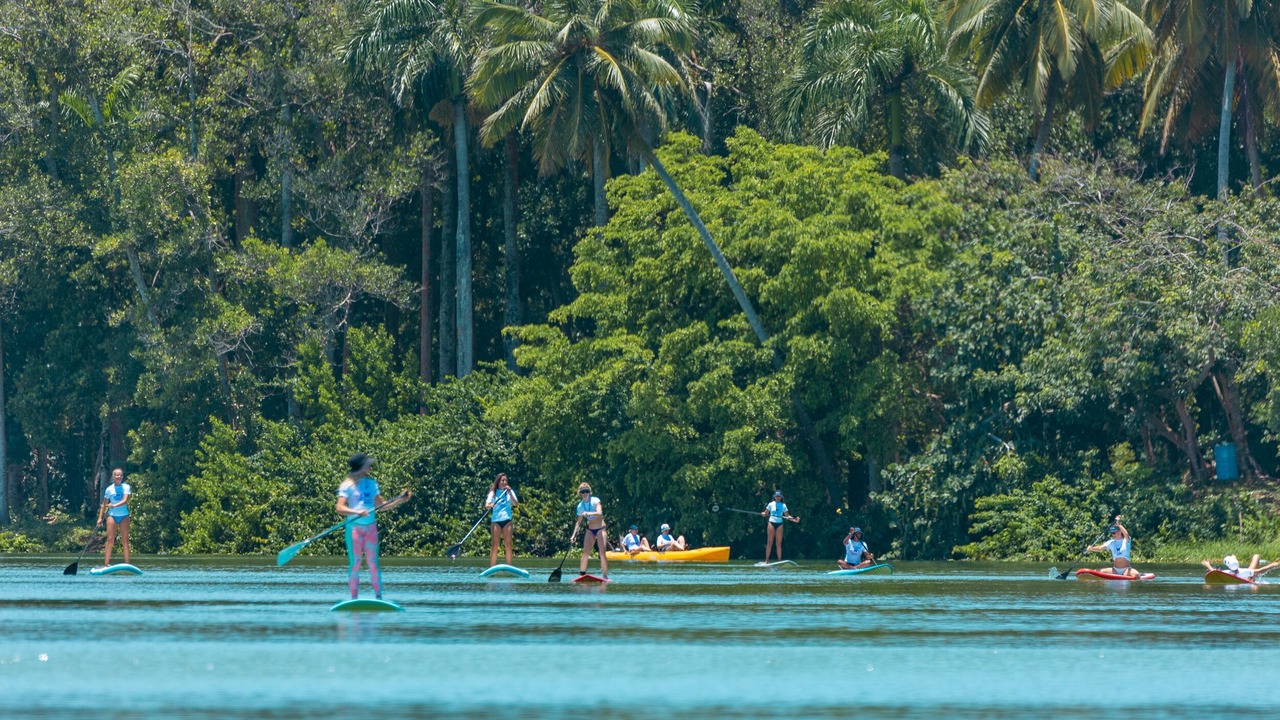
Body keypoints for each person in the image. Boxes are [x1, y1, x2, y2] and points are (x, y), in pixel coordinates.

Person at [335, 453, 409, 599]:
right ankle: (354, 599)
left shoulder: (372, 484)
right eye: (367, 464)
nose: (370, 466)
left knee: (373, 564)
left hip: (370, 529)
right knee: (355, 564)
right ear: (361, 467)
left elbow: (381, 506)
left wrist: (401, 500)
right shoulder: (346, 485)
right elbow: (339, 508)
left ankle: (378, 597)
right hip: (354, 528)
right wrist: (356, 512)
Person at [571, 483, 609, 578]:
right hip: (590, 530)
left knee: (602, 553)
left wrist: (588, 513)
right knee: (586, 553)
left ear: (590, 492)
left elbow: (599, 513)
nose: (585, 493)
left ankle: (605, 576)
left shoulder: (595, 500)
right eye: (582, 492)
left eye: (586, 491)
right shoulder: (580, 506)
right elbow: (578, 522)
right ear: (580, 494)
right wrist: (573, 535)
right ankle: (582, 574)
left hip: (600, 529)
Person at [97, 468, 131, 567]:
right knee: (110, 540)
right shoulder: (109, 489)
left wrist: (114, 505)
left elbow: (125, 500)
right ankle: (106, 564)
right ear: (113, 477)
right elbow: (104, 504)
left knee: (125, 540)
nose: (119, 477)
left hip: (124, 516)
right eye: (117, 475)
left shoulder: (126, 487)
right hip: (112, 516)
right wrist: (100, 518)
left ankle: (127, 564)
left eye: (121, 475)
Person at [486, 473, 519, 567]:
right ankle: (492, 567)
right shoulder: (493, 492)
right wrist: (490, 505)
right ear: (498, 482)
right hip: (496, 520)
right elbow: (487, 505)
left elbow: (516, 503)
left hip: (507, 520)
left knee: (508, 544)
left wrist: (510, 493)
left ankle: (509, 566)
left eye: (506, 481)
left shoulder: (509, 491)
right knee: (495, 544)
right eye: (502, 480)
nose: (504, 482)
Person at [761, 490, 799, 563]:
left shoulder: (783, 505)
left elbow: (787, 516)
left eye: (779, 496)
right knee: (769, 542)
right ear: (774, 497)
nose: (778, 498)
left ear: (781, 497)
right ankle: (766, 561)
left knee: (778, 543)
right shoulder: (771, 504)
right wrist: (763, 514)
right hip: (771, 523)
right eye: (776, 496)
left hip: (779, 524)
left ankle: (779, 561)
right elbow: (765, 513)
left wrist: (794, 520)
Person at [1202, 554, 1280, 581]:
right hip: (1246, 573)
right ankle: (1252, 578)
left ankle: (1253, 578)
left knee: (1256, 557)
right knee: (1256, 556)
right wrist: (1272, 565)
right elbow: (1260, 570)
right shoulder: (1243, 571)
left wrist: (1208, 565)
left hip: (1247, 575)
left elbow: (1215, 572)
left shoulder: (1228, 572)